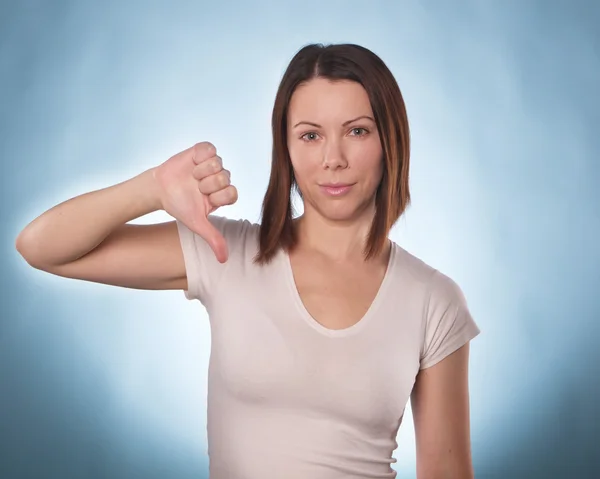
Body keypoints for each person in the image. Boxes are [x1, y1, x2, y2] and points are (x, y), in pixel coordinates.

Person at [16, 43, 481, 478]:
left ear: (389, 141)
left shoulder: (433, 301)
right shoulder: (226, 251)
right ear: (287, 148)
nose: (333, 159)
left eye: (357, 131)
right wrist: (151, 189)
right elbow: (40, 246)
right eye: (310, 135)